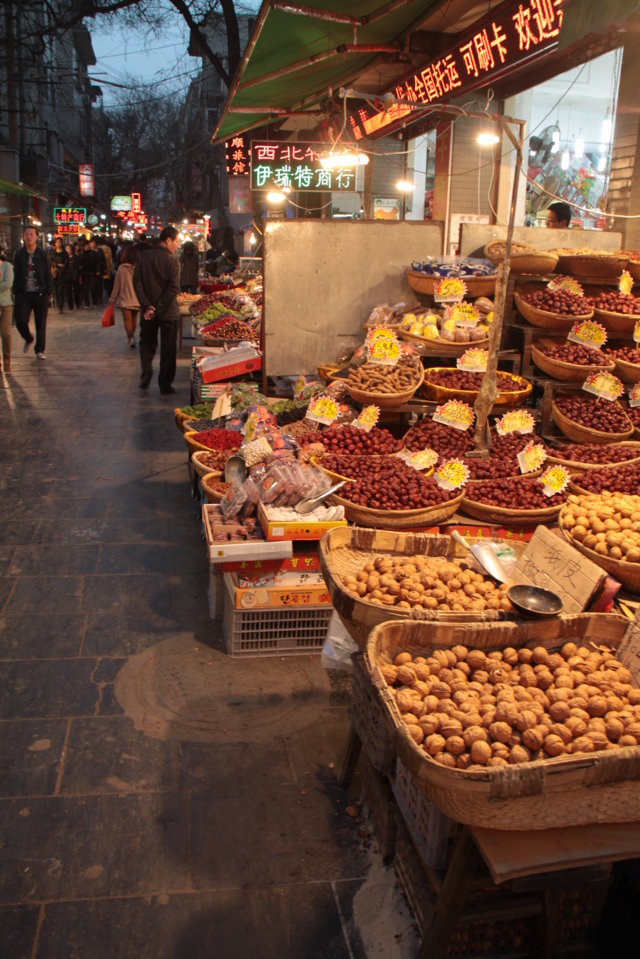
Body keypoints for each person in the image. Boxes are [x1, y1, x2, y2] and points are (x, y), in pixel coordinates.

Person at [133, 225, 181, 395]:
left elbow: (137, 283)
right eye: (177, 242)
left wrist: (148, 306)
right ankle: (165, 385)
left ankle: (146, 373)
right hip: (168, 312)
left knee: (147, 343)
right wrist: (158, 308)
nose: (178, 246)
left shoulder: (143, 257)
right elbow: (173, 288)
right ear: (168, 240)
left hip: (148, 312)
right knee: (168, 348)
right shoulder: (172, 261)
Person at [12, 223, 51, 359]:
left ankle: (40, 349)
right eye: (26, 234)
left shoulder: (42, 254)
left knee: (40, 323)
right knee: (21, 321)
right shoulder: (19, 254)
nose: (29, 237)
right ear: (23, 237)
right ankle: (28, 338)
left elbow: (48, 274)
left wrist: (48, 291)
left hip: (40, 293)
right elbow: (16, 273)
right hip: (23, 293)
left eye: (31, 234)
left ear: (36, 237)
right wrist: (15, 291)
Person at [110, 245, 140, 349]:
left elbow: (117, 285)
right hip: (136, 298)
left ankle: (130, 337)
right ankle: (132, 336)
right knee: (134, 319)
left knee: (127, 320)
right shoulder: (138, 268)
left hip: (125, 298)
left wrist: (112, 298)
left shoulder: (121, 268)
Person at [0, 244, 14, 373]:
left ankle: (7, 359)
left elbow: (8, 283)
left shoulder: (7, 266)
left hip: (5, 304)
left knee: (5, 333)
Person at [50, 236, 69, 313]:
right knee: (56, 291)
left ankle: (61, 307)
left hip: (62, 274)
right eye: (57, 242)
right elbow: (51, 262)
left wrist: (62, 267)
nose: (58, 244)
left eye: (59, 242)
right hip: (55, 274)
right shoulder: (52, 253)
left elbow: (66, 264)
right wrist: (57, 265)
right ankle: (58, 305)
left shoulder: (65, 253)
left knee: (61, 291)